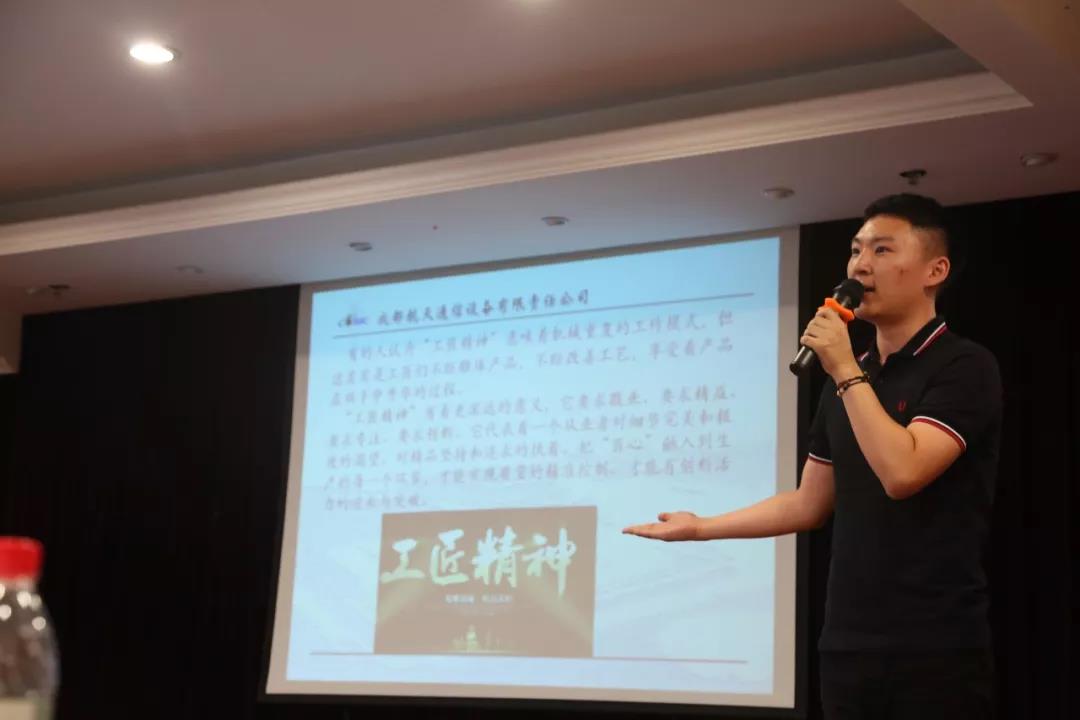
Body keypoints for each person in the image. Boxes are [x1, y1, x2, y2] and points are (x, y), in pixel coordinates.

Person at [624, 194, 1002, 719]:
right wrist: (703, 527)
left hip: (935, 647)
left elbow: (903, 473)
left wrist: (844, 368)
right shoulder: (850, 379)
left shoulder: (963, 366)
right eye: (855, 250)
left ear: (935, 270)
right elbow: (808, 503)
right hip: (848, 643)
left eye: (882, 250)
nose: (860, 265)